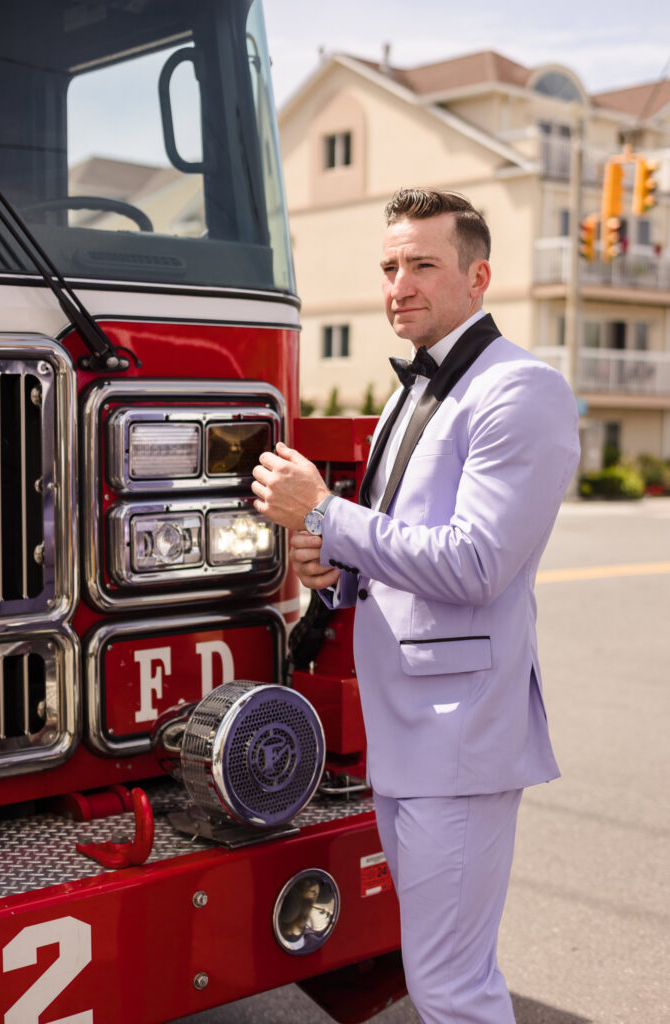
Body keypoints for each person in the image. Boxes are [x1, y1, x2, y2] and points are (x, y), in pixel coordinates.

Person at [252, 188, 580, 1023]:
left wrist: (324, 512)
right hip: (409, 731)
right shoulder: (411, 391)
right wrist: (338, 568)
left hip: (459, 736)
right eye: (390, 266)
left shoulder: (521, 390)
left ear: (479, 277)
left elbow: (474, 564)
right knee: (442, 973)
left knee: (451, 985)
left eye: (423, 265)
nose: (399, 283)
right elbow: (406, 540)